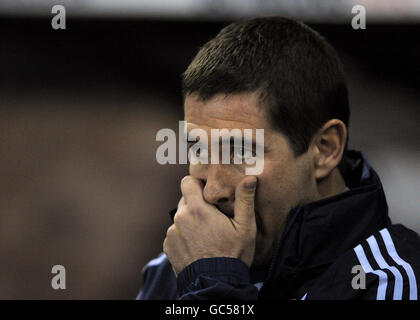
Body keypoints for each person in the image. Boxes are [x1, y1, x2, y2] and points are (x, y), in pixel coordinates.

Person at [137, 16, 419, 300]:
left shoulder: (388, 281)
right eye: (198, 149)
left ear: (325, 149)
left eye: (241, 151)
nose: (212, 191)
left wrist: (213, 284)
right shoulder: (179, 265)